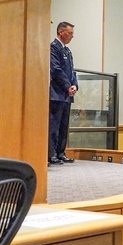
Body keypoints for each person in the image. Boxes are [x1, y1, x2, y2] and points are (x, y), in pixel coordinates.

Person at [49, 21, 78, 165]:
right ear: (61, 32)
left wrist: (74, 86)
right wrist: (67, 86)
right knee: (54, 125)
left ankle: (61, 152)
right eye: (70, 33)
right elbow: (56, 70)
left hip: (67, 95)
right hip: (57, 94)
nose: (72, 36)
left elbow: (72, 71)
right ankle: (52, 154)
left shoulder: (67, 51)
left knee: (64, 126)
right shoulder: (54, 48)